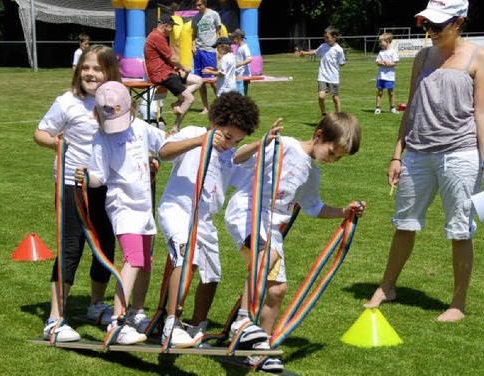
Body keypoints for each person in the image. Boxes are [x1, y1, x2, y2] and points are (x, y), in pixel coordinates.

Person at [364, 0, 484, 323]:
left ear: (459, 22)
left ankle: (458, 303)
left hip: (461, 154)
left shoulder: (478, 57)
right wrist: (397, 154)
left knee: (460, 230)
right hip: (417, 153)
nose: (431, 31)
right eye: (426, 25)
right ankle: (387, 287)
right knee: (403, 223)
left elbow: (482, 112)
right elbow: (411, 106)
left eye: (438, 26)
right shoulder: (422, 56)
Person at [225, 112, 366, 372]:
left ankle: (259, 350)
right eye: (333, 152)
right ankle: (242, 321)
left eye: (338, 158)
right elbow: (237, 157)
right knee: (269, 257)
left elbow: (314, 207)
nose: (332, 160)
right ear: (319, 135)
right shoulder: (284, 145)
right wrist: (262, 142)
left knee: (277, 291)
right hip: (246, 214)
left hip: (271, 230)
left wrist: (343, 212)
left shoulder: (312, 173)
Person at [157, 92, 260, 348]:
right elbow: (164, 152)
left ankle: (197, 325)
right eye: (227, 136)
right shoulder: (194, 132)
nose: (230, 143)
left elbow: (245, 178)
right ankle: (171, 323)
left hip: (204, 220)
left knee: (212, 274)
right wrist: (199, 141)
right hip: (177, 210)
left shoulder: (230, 156)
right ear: (215, 122)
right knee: (185, 258)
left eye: (237, 140)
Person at [35, 44, 118, 342]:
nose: (90, 73)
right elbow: (41, 132)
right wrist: (56, 144)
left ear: (109, 72)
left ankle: (96, 306)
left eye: (97, 68)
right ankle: (55, 320)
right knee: (71, 247)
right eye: (86, 67)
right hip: (71, 184)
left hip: (107, 186)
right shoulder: (67, 102)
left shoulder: (117, 101)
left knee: (105, 245)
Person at [75, 81, 167, 344]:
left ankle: (137, 312)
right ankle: (117, 321)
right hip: (121, 204)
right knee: (134, 258)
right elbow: (100, 177)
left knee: (146, 262)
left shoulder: (141, 128)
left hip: (143, 204)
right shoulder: (101, 138)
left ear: (131, 107)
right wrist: (86, 176)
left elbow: (164, 147)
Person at [144, 15, 203, 134]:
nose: (172, 30)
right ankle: (175, 128)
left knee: (199, 80)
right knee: (190, 99)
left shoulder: (160, 36)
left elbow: (168, 58)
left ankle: (177, 103)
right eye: (172, 27)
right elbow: (172, 58)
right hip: (162, 75)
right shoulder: (157, 37)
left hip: (169, 71)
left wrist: (177, 68)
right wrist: (183, 67)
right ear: (166, 26)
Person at [299, 27, 346, 117]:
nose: (326, 39)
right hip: (322, 75)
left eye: (328, 37)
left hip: (333, 77)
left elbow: (342, 63)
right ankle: (324, 115)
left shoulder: (339, 50)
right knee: (321, 96)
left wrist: (334, 65)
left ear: (334, 37)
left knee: (335, 98)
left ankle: (339, 117)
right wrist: (305, 53)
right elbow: (315, 52)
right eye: (325, 38)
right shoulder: (323, 46)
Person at [192, 0, 224, 114]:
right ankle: (206, 107)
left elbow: (220, 30)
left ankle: (221, 104)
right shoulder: (195, 18)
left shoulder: (213, 14)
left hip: (210, 50)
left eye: (199, 5)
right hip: (198, 51)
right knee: (200, 81)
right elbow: (194, 34)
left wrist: (222, 45)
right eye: (196, 5)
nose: (197, 7)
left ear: (205, 4)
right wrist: (193, 45)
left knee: (212, 80)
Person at [374, 32, 400, 115]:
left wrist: (389, 63)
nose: (380, 43)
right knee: (380, 92)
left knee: (390, 92)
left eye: (382, 42)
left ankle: (392, 108)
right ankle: (378, 108)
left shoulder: (393, 52)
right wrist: (380, 63)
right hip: (381, 75)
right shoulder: (381, 52)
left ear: (387, 41)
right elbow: (377, 62)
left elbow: (395, 63)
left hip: (389, 76)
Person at [231, 29, 252, 96]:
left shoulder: (244, 48)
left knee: (243, 95)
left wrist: (240, 64)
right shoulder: (239, 47)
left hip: (244, 75)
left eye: (234, 38)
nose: (233, 40)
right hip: (239, 74)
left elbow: (249, 59)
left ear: (239, 38)